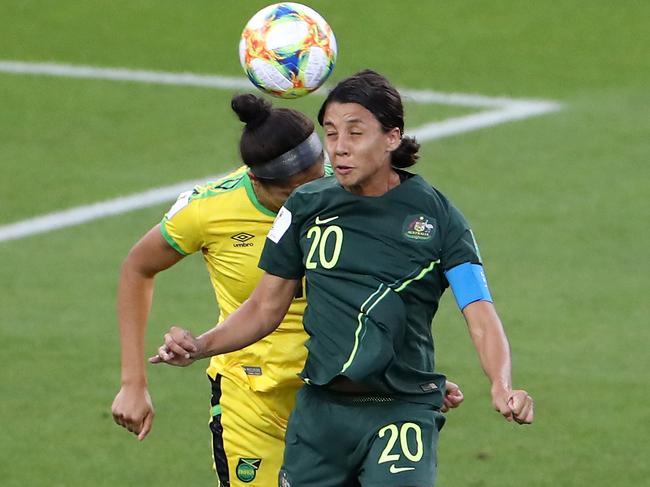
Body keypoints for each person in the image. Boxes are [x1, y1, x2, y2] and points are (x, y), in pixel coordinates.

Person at [152, 69, 534, 487]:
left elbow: (478, 310)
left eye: (355, 133)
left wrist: (501, 384)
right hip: (319, 415)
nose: (340, 149)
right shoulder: (304, 207)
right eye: (331, 134)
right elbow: (264, 308)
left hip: (399, 412)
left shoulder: (438, 218)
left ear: (392, 137)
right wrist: (200, 346)